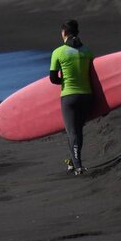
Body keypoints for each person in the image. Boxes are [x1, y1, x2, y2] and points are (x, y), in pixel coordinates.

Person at [49, 19, 95, 175]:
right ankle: (73, 161)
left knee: (72, 132)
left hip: (69, 97)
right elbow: (94, 76)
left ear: (64, 33)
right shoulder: (87, 51)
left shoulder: (58, 52)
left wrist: (66, 80)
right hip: (87, 95)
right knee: (78, 131)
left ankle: (78, 166)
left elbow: (53, 78)